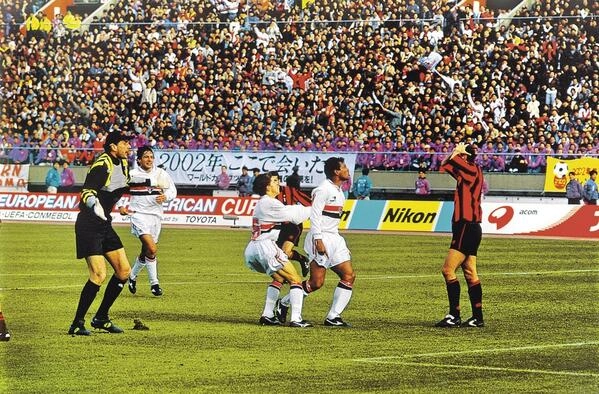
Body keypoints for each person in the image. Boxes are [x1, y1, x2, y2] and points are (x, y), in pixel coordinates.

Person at [68, 131, 161, 336]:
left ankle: (101, 317)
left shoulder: (123, 164)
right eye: (124, 144)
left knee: (124, 271)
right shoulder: (102, 165)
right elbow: (87, 192)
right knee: (99, 274)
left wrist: (151, 186)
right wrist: (95, 206)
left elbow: (123, 185)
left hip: (104, 224)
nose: (129, 147)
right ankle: (77, 322)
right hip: (89, 225)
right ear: (112, 147)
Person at [277, 157, 356, 327]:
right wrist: (318, 240)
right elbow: (315, 216)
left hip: (335, 238)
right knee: (316, 283)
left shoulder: (339, 191)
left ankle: (333, 317)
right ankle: (283, 303)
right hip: (321, 238)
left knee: (349, 275)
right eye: (344, 167)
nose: (347, 170)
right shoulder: (323, 190)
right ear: (336, 171)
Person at [244, 172, 312, 328]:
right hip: (265, 246)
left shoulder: (264, 202)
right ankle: (296, 319)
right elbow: (294, 215)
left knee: (279, 278)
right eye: (275, 181)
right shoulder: (270, 203)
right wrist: (316, 208)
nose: (278, 183)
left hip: (254, 248)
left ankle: (267, 315)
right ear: (268, 187)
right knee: (295, 279)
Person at [436, 142, 485, 328]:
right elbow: (445, 164)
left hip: (466, 224)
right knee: (470, 271)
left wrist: (457, 151)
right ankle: (477, 317)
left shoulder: (471, 170)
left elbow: (453, 160)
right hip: (469, 226)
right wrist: (455, 153)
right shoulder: (467, 172)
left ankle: (454, 314)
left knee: (448, 270)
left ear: (466, 157)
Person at [126, 146, 177, 297]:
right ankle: (154, 283)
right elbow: (118, 191)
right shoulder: (132, 174)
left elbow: (172, 191)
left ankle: (132, 276)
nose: (149, 159)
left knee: (147, 251)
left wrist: (165, 197)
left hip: (155, 217)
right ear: (139, 159)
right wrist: (121, 206)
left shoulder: (161, 173)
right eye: (146, 157)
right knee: (152, 249)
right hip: (138, 215)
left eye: (151, 157)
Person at [274, 170, 311, 277]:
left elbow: (308, 202)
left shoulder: (288, 191)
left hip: (292, 226)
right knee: (279, 253)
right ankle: (302, 259)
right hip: (281, 227)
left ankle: (289, 277)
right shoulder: (273, 195)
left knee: (284, 253)